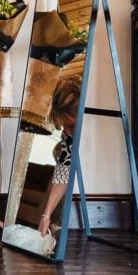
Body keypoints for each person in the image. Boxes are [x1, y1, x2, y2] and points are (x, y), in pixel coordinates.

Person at [38, 75, 81, 237]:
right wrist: (46, 215)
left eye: (70, 125)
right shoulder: (68, 138)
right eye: (64, 126)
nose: (67, 131)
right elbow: (64, 170)